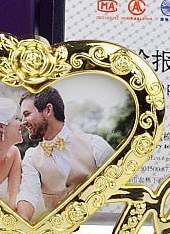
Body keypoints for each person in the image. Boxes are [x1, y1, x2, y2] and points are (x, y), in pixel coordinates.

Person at [16, 87, 113, 223]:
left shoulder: (95, 144)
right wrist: (22, 219)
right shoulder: (31, 157)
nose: (23, 122)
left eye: (27, 114)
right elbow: (28, 192)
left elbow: (118, 181)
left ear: (48, 110)